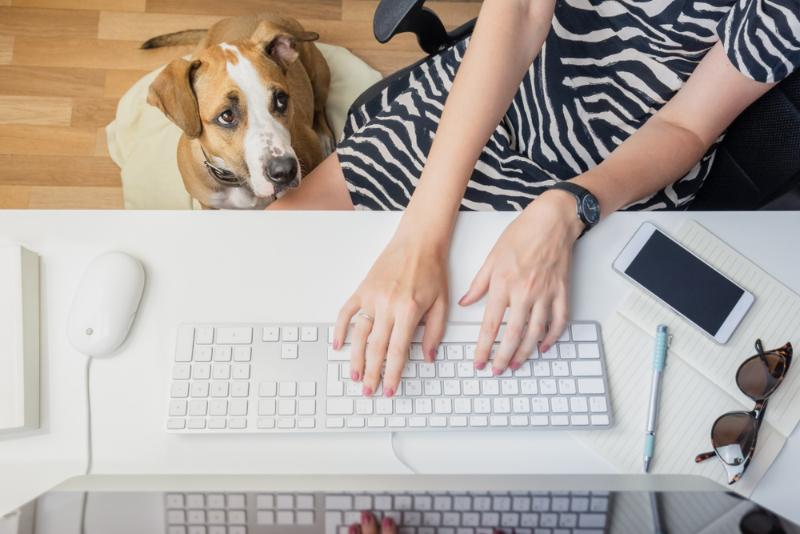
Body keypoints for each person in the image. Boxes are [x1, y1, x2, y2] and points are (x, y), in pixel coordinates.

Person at [270, 0, 800, 397]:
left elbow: (686, 124)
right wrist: (420, 235)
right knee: (269, 245)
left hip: (619, 167)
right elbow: (520, 11)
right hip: (495, 89)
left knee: (488, 373)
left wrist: (566, 207)